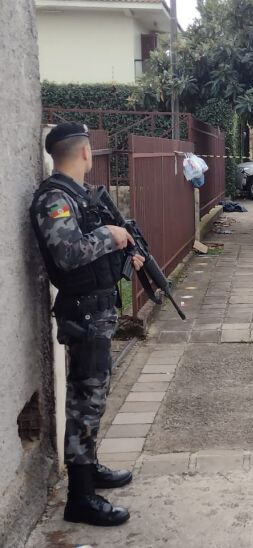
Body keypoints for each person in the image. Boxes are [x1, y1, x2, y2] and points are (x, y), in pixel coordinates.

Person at [30, 123, 145, 527]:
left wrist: (122, 254)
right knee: (83, 403)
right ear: (84, 153)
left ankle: (88, 467)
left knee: (93, 398)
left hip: (95, 309)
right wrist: (110, 237)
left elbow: (88, 253)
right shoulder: (55, 199)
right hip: (82, 313)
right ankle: (80, 498)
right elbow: (68, 253)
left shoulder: (76, 196)